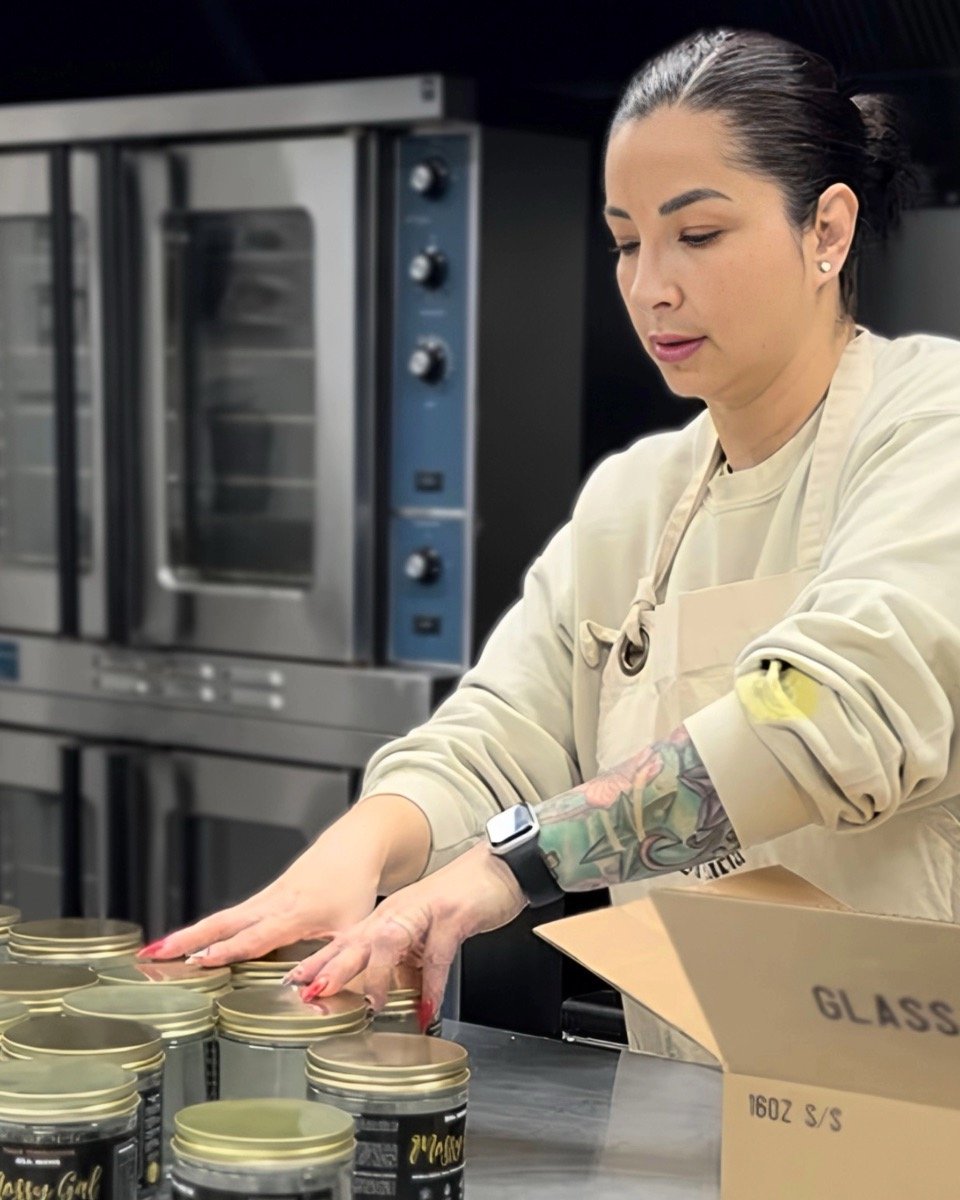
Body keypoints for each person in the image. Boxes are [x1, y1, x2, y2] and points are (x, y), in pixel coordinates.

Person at [147, 28, 960, 1055]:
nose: (650, 286)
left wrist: (507, 865)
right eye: (626, 241)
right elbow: (497, 733)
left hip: (911, 1108)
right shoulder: (636, 498)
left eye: (697, 235)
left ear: (826, 231)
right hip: (687, 1105)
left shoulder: (934, 430)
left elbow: (824, 716)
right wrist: (358, 851)